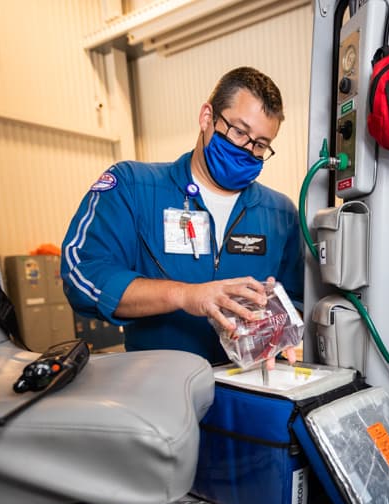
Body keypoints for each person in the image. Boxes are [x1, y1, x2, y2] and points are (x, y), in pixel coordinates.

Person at [61, 66, 304, 365]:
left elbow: (297, 301)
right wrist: (185, 296)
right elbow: (82, 274)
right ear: (207, 117)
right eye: (240, 132)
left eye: (261, 144)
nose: (248, 149)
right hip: (159, 391)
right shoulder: (134, 187)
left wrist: (277, 328)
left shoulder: (279, 212)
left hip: (250, 390)